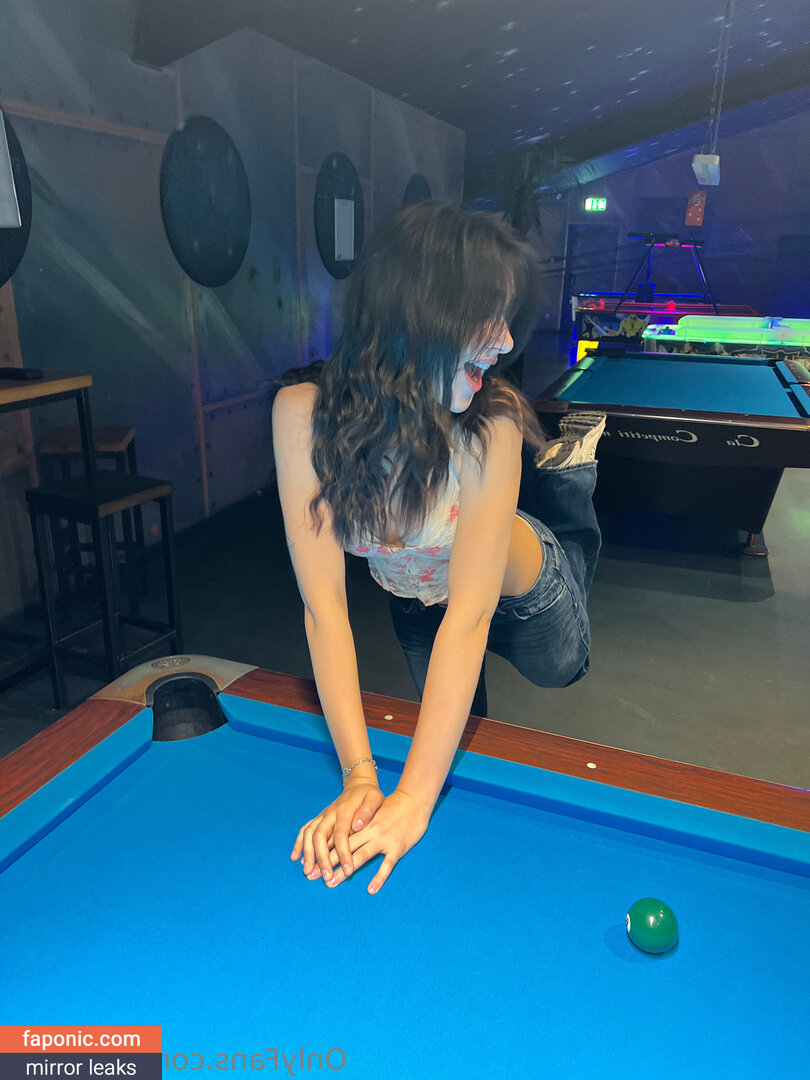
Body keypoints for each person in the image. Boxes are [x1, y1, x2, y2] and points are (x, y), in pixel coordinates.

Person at [271, 201, 604, 896]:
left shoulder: (492, 421)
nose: (505, 341)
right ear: (421, 310)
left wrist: (412, 802)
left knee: (564, 668)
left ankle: (570, 483)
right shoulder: (302, 415)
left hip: (520, 592)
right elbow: (324, 607)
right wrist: (362, 778)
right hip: (419, 602)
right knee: (460, 728)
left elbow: (473, 614)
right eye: (489, 316)